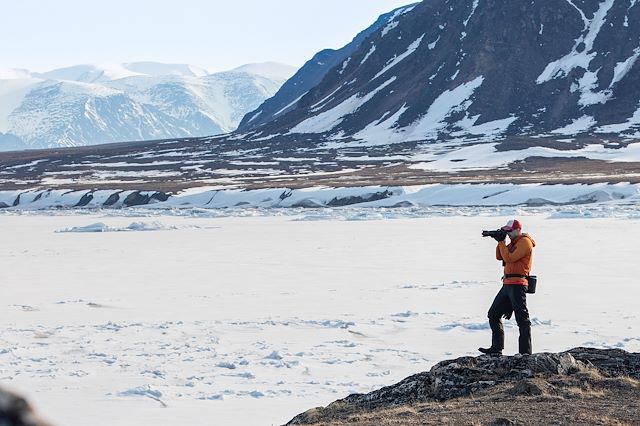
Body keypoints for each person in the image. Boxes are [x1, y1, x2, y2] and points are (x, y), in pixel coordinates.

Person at [479, 219, 536, 356]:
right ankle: (497, 348)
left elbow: (510, 258)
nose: (508, 234)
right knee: (493, 314)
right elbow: (500, 257)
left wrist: (501, 242)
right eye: (506, 231)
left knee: (522, 320)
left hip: (518, 284)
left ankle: (525, 353)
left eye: (509, 231)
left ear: (518, 230)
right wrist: (500, 241)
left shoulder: (525, 242)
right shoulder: (514, 242)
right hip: (507, 284)